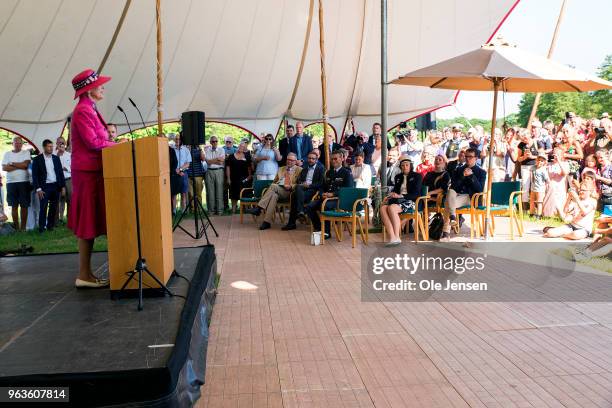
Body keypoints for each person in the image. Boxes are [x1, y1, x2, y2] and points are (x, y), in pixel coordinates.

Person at [68, 69, 116, 288]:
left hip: (95, 173)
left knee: (92, 222)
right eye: (100, 85)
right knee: (88, 223)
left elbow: (99, 140)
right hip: (88, 175)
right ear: (89, 89)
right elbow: (94, 143)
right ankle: (84, 275)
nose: (103, 87)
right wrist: (118, 146)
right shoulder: (83, 111)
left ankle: (86, 274)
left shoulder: (90, 108)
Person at [246, 153, 302, 230]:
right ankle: (266, 222)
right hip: (278, 189)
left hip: (290, 192)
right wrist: (276, 185)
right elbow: (275, 181)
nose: (289, 162)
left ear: (295, 161)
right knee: (273, 196)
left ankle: (259, 208)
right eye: (288, 159)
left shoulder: (299, 170)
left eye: (292, 160)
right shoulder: (281, 169)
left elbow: (300, 184)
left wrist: (291, 186)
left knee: (273, 187)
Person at [305, 151, 353, 238]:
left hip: (338, 200)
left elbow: (348, 190)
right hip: (325, 198)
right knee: (309, 207)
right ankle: (320, 228)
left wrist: (333, 194)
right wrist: (322, 193)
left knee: (325, 206)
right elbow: (322, 186)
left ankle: (327, 232)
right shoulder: (329, 172)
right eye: (332, 159)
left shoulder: (346, 173)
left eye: (335, 159)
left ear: (342, 159)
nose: (333, 161)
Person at [441, 148, 486, 240]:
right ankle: (452, 217)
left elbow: (479, 189)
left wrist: (471, 176)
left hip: (471, 197)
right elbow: (454, 187)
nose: (467, 159)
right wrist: (462, 177)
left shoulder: (481, 172)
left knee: (447, 203)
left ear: (476, 158)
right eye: (466, 156)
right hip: (456, 196)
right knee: (450, 192)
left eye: (470, 157)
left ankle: (446, 232)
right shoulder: (458, 170)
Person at [380, 158, 423, 246]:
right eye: (402, 165)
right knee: (383, 208)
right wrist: (390, 195)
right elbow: (396, 190)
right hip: (399, 201)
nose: (404, 167)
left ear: (410, 166)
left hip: (412, 201)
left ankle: (397, 237)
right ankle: (392, 237)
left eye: (407, 165)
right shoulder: (398, 177)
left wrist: (401, 196)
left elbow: (416, 193)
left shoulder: (417, 176)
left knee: (391, 208)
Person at [282, 151, 325, 230]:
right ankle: (301, 212)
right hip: (303, 189)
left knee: (295, 196)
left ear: (316, 160)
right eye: (309, 158)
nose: (311, 160)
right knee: (297, 190)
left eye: (313, 159)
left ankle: (292, 222)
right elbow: (299, 180)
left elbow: (321, 183)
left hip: (313, 191)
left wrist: (309, 185)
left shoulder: (320, 168)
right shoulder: (304, 168)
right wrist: (303, 183)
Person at [31, 139, 66, 232]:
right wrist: (38, 189)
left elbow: (60, 173)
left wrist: (62, 187)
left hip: (55, 186)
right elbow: (35, 175)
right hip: (44, 187)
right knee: (43, 207)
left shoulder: (56, 158)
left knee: (54, 208)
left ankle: (50, 226)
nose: (51, 148)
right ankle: (42, 228)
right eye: (49, 146)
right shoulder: (37, 159)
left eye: (52, 146)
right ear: (44, 147)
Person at [2, 136, 31, 231]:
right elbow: (4, 168)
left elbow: (26, 165)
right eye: (16, 143)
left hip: (24, 182)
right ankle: (16, 228)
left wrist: (12, 163)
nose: (18, 144)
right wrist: (20, 165)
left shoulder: (26, 152)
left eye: (20, 143)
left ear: (22, 144)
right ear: (12, 144)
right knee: (13, 205)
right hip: (11, 183)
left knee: (24, 205)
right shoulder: (7, 154)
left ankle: (23, 228)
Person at [542, 147, 570, 218]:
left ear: (561, 155)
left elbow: (565, 173)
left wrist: (559, 161)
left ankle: (559, 215)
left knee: (559, 202)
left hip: (560, 186)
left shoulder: (565, 164)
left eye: (557, 154)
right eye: (554, 153)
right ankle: (548, 215)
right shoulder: (549, 164)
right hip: (550, 187)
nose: (555, 155)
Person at [226, 141, 253, 214]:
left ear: (245, 148)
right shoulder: (231, 156)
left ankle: (245, 210)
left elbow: (250, 170)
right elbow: (228, 168)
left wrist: (247, 179)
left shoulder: (247, 157)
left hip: (244, 179)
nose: (242, 148)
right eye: (241, 146)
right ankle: (233, 210)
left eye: (243, 147)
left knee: (244, 194)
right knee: (233, 195)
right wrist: (228, 178)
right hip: (233, 179)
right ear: (238, 146)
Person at [204, 135, 226, 215]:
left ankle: (220, 211)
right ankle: (211, 211)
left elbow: (221, 162)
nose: (215, 143)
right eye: (213, 141)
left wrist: (211, 161)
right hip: (209, 171)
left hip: (219, 171)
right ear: (210, 142)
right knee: (210, 192)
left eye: (216, 141)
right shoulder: (207, 150)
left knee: (219, 191)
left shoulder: (221, 149)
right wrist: (217, 159)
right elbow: (208, 162)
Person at [172, 136, 192, 213]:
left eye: (179, 139)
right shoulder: (171, 149)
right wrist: (175, 171)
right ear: (174, 140)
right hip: (174, 173)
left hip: (183, 173)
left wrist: (180, 170)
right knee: (174, 193)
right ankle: (174, 211)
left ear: (181, 140)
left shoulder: (186, 150)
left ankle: (183, 211)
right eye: (176, 139)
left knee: (183, 192)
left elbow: (188, 164)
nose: (177, 140)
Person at [186, 139, 207, 212]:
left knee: (198, 193)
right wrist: (188, 149)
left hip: (198, 174)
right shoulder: (186, 148)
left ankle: (199, 208)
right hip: (189, 174)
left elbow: (203, 158)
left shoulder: (199, 149)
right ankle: (192, 209)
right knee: (190, 193)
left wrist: (200, 148)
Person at [55, 136, 71, 223]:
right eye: (59, 143)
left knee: (70, 200)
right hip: (57, 181)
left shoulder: (69, 155)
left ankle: (70, 219)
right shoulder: (53, 155)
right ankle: (57, 220)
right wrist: (58, 154)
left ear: (65, 144)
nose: (61, 144)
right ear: (56, 144)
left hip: (68, 179)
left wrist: (66, 168)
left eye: (62, 143)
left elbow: (74, 167)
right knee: (57, 200)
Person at [529, 153, 550, 220]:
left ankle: (539, 215)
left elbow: (547, 180)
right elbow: (531, 177)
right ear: (536, 160)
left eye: (542, 161)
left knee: (539, 201)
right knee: (532, 200)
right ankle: (531, 213)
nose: (539, 162)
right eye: (538, 160)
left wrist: (546, 187)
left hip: (540, 188)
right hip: (533, 187)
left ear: (544, 162)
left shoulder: (543, 170)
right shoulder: (533, 167)